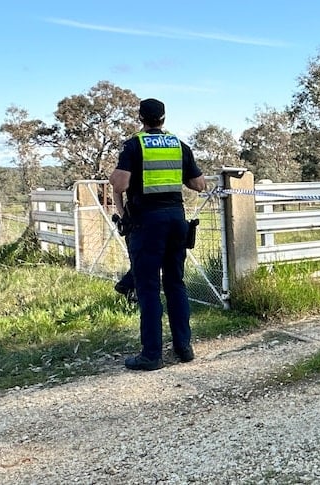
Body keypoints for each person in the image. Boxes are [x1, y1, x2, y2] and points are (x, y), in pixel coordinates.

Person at [108, 98, 205, 371]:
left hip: (146, 223)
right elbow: (198, 184)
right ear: (163, 118)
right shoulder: (178, 145)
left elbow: (121, 183)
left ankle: (151, 355)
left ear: (141, 117)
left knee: (148, 287)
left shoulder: (133, 144)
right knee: (176, 284)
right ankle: (184, 348)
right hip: (176, 220)